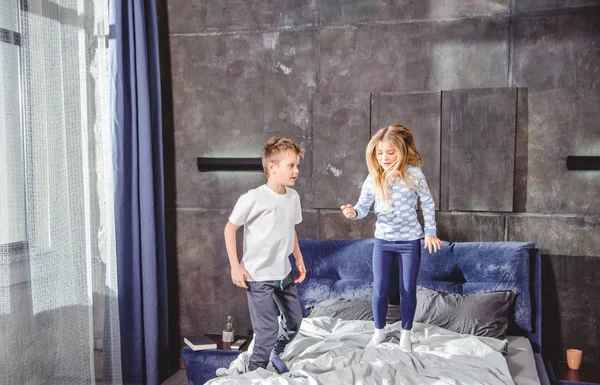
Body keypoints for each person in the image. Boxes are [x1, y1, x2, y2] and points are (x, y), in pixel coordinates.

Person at [340, 124, 442, 352]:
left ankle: (406, 334)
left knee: (408, 289)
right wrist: (353, 212)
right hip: (383, 242)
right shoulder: (373, 177)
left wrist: (430, 232)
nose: (384, 158)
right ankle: (379, 331)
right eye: (379, 153)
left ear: (401, 151)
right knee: (380, 288)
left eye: (390, 152)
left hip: (410, 242)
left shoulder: (414, 174)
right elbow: (363, 206)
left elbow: (427, 202)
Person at [224, 137, 307, 373]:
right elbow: (230, 228)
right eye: (291, 165)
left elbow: (290, 229)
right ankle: (255, 372)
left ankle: (276, 351)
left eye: (297, 166)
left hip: (284, 274)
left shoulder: (293, 198)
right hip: (258, 276)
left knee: (294, 322)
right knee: (267, 329)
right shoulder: (253, 198)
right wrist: (235, 266)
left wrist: (298, 259)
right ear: (272, 167)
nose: (296, 171)